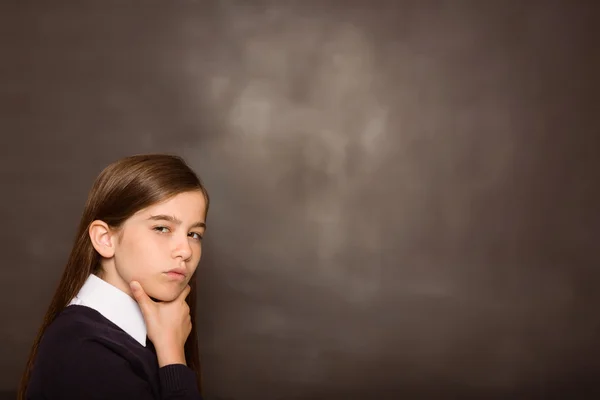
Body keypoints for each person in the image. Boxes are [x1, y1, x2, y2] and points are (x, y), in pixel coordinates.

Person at [18, 154, 209, 400]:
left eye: (194, 234)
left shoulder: (152, 330)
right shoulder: (86, 351)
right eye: (162, 228)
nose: (185, 251)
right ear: (105, 239)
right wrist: (173, 358)